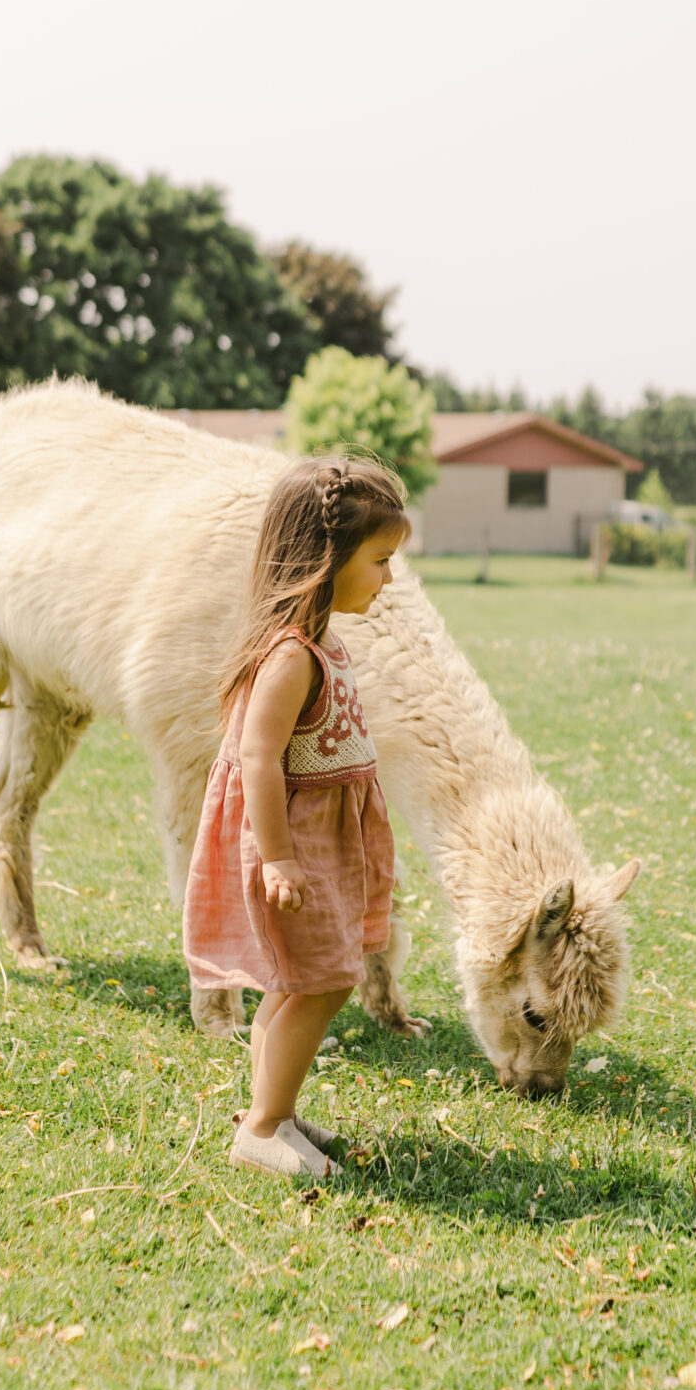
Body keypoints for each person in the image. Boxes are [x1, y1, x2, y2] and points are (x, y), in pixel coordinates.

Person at [184, 455, 410, 1177]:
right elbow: (257, 758)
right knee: (324, 979)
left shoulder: (321, 643)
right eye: (378, 561)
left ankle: (271, 1106)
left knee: (298, 978)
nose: (389, 578)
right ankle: (261, 1125)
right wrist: (278, 856)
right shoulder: (289, 656)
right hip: (295, 845)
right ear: (325, 560)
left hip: (325, 838)